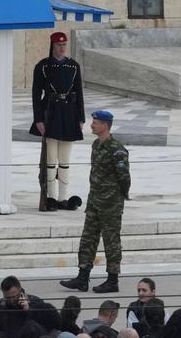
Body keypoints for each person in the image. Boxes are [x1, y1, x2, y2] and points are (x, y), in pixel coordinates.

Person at [62, 110, 131, 294]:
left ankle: (112, 279)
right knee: (88, 239)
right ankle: (83, 277)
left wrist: (118, 197)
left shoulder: (117, 149)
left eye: (96, 122)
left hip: (110, 203)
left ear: (105, 126)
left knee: (111, 241)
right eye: (93, 121)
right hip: (94, 201)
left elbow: (124, 178)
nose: (92, 125)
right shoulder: (96, 145)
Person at [31, 30, 85, 212]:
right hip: (51, 112)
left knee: (65, 159)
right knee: (50, 159)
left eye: (64, 45)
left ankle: (63, 197)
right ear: (52, 46)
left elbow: (79, 94)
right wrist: (38, 118)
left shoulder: (74, 66)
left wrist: (81, 118)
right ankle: (51, 197)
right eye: (58, 45)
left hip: (69, 112)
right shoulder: (43, 67)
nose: (62, 48)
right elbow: (36, 94)